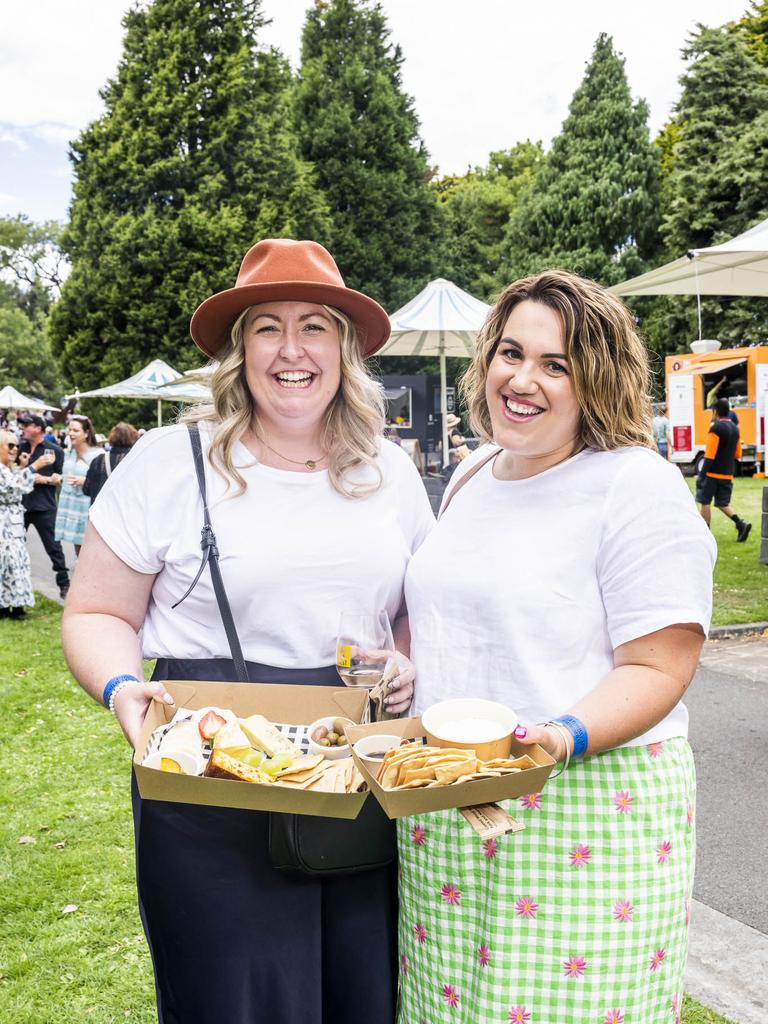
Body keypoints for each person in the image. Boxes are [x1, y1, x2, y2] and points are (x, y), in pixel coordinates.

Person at [61, 238, 434, 1024]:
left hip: (354, 769)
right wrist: (125, 689)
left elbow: (412, 608)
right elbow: (97, 611)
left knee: (360, 992)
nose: (291, 350)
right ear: (239, 350)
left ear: (344, 348)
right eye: (268, 327)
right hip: (208, 763)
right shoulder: (169, 462)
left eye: (315, 327)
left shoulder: (390, 472)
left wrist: (406, 657)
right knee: (234, 999)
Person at [399, 270, 716, 1024]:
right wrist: (410, 666)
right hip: (451, 808)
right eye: (511, 353)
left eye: (556, 365)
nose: (523, 379)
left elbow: (660, 664)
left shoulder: (634, 485)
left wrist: (561, 736)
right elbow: (463, 618)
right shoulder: (474, 471)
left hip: (583, 805)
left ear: (596, 380)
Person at [0, 430, 54, 617]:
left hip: (13, 520)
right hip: (4, 522)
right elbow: (12, 487)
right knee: (8, 561)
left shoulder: (7, 468)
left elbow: (19, 484)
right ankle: (7, 605)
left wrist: (23, 466)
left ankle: (15, 603)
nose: (15, 449)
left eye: (16, 445)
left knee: (17, 560)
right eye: (10, 445)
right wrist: (33, 466)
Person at [17, 413, 69, 599]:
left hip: (44, 506)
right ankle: (17, 584)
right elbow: (12, 473)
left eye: (26, 425)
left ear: (38, 428)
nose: (22, 427)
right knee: (15, 546)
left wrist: (49, 479)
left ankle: (64, 584)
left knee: (53, 547)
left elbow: (60, 477)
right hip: (20, 505)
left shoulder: (54, 450)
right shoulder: (17, 448)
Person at [696, 396, 751, 542]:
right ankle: (741, 524)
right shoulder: (735, 429)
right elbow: (738, 454)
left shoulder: (716, 428)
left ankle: (705, 534)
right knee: (722, 503)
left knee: (705, 501)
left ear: (715, 412)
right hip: (727, 474)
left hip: (712, 474)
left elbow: (709, 455)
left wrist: (701, 475)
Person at [54, 415, 101, 557]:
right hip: (71, 506)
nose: (71, 433)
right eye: (70, 430)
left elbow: (104, 482)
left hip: (86, 508)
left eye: (76, 430)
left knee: (89, 548)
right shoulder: (68, 453)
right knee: (77, 547)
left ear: (86, 433)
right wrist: (59, 478)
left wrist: (85, 481)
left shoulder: (98, 455)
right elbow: (67, 475)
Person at [83, 421, 139, 503]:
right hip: (124, 512)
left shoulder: (98, 460)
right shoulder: (135, 461)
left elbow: (86, 489)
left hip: (99, 512)